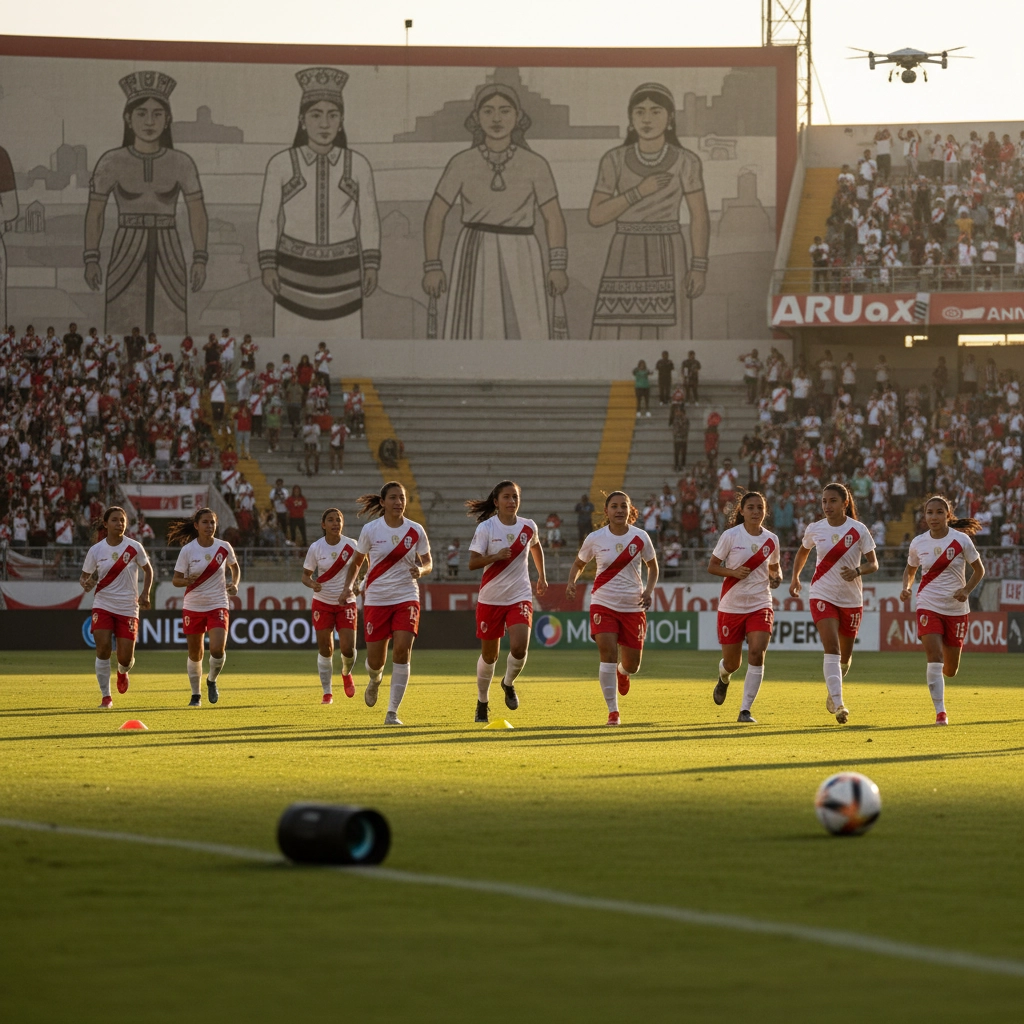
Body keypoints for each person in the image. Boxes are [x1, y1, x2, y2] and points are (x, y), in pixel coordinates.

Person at [421, 81, 568, 339]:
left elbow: (553, 217)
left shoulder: (535, 164)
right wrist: (433, 266)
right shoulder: (461, 163)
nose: (496, 118)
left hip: (523, 252)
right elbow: (435, 214)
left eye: (505, 110)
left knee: (527, 329)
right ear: (476, 117)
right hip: (475, 251)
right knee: (475, 332)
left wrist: (557, 266)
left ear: (518, 116)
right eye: (488, 111)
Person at [257, 67, 380, 339]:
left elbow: (369, 217)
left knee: (346, 349)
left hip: (344, 275)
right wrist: (268, 265)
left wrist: (371, 264)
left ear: (341, 120)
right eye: (316, 115)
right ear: (302, 120)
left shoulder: (358, 164)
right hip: (292, 274)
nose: (324, 124)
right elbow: (268, 218)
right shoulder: (281, 163)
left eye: (332, 115)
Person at [83, 71, 208, 336]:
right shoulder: (111, 161)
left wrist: (200, 258)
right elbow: (95, 213)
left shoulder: (182, 163)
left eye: (157, 114)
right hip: (126, 247)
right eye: (141, 113)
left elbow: (197, 213)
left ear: (168, 119)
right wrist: (91, 258)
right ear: (128, 119)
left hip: (169, 248)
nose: (149, 121)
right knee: (121, 321)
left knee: (171, 320)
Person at [588, 82, 709, 339]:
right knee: (619, 328)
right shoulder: (614, 160)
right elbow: (596, 216)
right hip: (625, 250)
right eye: (640, 112)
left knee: (668, 331)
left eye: (656, 111)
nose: (647, 119)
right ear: (630, 119)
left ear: (670, 118)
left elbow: (699, 216)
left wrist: (698, 267)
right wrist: (638, 192)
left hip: (668, 248)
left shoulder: (687, 161)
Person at [340, 482, 431, 726]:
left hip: (406, 596)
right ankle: (375, 679)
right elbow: (357, 562)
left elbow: (429, 561)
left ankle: (392, 712)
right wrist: (349, 586)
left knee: (402, 651)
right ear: (382, 502)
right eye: (392, 498)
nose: (398, 502)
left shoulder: (415, 531)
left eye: (401, 497)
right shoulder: (371, 530)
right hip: (377, 598)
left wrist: (421, 570)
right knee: (376, 661)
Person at [565, 491, 658, 726]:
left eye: (623, 506)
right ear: (606, 511)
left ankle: (622, 672)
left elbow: (653, 566)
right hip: (603, 602)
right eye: (614, 506)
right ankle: (613, 711)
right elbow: (579, 563)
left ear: (630, 510)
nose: (619, 510)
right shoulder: (595, 538)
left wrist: (648, 591)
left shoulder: (641, 537)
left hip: (633, 605)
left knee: (632, 665)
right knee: (607, 654)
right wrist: (571, 582)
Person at [789, 483, 878, 725]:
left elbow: (874, 564)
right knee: (832, 648)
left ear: (845, 503)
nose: (827, 506)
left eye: (833, 501)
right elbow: (802, 552)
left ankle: (833, 687)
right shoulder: (815, 528)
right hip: (821, 593)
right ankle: (839, 704)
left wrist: (858, 571)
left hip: (851, 599)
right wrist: (796, 577)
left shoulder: (858, 530)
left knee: (845, 660)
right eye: (824, 501)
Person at [466, 481, 547, 724]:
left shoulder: (528, 526)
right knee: (490, 657)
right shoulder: (486, 528)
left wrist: (541, 575)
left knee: (520, 647)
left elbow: (536, 546)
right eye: (506, 497)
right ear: (496, 502)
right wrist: (495, 557)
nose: (512, 501)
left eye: (515, 497)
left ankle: (508, 683)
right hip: (490, 599)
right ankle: (482, 701)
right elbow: (472, 563)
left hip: (519, 596)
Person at [900, 496, 985, 726]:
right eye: (929, 513)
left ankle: (940, 691)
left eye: (939, 512)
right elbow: (910, 569)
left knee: (950, 670)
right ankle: (941, 713)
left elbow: (979, 570)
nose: (933, 517)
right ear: (924, 516)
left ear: (947, 515)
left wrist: (966, 590)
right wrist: (907, 588)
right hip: (928, 604)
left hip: (956, 608)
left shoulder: (961, 540)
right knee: (934, 657)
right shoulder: (918, 542)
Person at [707, 492, 782, 723]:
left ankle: (745, 710)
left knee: (757, 653)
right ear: (741, 511)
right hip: (732, 605)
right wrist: (733, 572)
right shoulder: (731, 536)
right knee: (732, 663)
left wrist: (776, 577)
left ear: (765, 511)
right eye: (750, 507)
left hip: (761, 603)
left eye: (760, 507)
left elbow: (775, 569)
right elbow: (712, 566)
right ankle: (724, 677)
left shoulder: (771, 540)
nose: (756, 511)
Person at [79, 506, 153, 708]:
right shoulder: (96, 550)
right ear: (105, 523)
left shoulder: (134, 547)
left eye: (122, 520)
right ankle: (106, 697)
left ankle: (122, 671)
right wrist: (86, 583)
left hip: (128, 607)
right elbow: (85, 577)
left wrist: (145, 593)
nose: (119, 523)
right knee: (102, 649)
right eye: (114, 520)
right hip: (103, 604)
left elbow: (148, 570)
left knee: (126, 658)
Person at [169, 508, 240, 707]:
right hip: (193, 605)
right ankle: (195, 695)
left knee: (217, 650)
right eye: (205, 522)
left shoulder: (224, 547)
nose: (209, 526)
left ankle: (212, 680)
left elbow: (235, 567)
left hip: (218, 603)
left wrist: (234, 584)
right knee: (195, 653)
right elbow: (175, 580)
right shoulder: (188, 550)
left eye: (212, 523)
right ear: (196, 526)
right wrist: (186, 580)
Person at [302, 508, 359, 704]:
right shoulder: (316, 548)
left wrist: (359, 582)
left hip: (346, 601)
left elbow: (364, 563)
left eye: (339, 520)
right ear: (323, 524)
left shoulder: (351, 545)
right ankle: (327, 692)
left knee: (348, 649)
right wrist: (313, 584)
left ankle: (345, 673)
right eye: (331, 520)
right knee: (325, 648)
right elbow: (305, 576)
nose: (335, 523)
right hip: (323, 602)